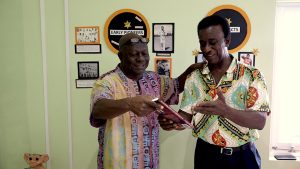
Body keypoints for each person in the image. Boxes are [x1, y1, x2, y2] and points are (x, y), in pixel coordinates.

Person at [159, 15, 271, 169]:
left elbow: (260, 121)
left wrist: (226, 111)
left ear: (227, 41)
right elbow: (186, 115)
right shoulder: (194, 77)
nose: (206, 49)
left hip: (243, 159)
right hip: (206, 156)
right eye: (202, 43)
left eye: (212, 43)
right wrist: (173, 122)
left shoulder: (252, 75)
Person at [89, 33, 204, 169]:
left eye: (144, 53)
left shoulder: (153, 79)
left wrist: (191, 70)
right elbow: (98, 109)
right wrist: (129, 103)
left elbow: (176, 85)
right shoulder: (107, 81)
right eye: (134, 54)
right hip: (117, 164)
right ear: (121, 56)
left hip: (149, 163)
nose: (140, 59)